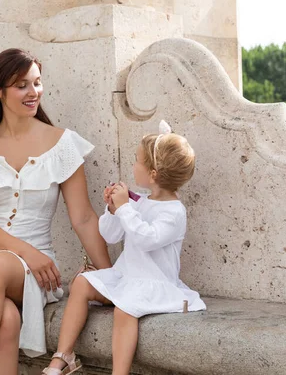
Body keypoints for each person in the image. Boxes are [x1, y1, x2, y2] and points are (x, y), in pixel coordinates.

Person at [0, 48, 112, 375]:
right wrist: (28, 254)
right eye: (22, 85)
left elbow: (84, 218)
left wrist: (110, 278)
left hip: (31, 268)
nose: (33, 92)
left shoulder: (63, 144)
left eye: (37, 82)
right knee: (6, 319)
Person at [42, 121, 206, 375]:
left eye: (137, 161)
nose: (133, 165)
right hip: (127, 276)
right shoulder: (141, 201)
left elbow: (147, 239)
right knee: (83, 283)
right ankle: (63, 356)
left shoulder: (174, 212)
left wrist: (126, 208)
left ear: (153, 174)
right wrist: (112, 208)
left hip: (155, 283)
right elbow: (109, 235)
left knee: (125, 309)